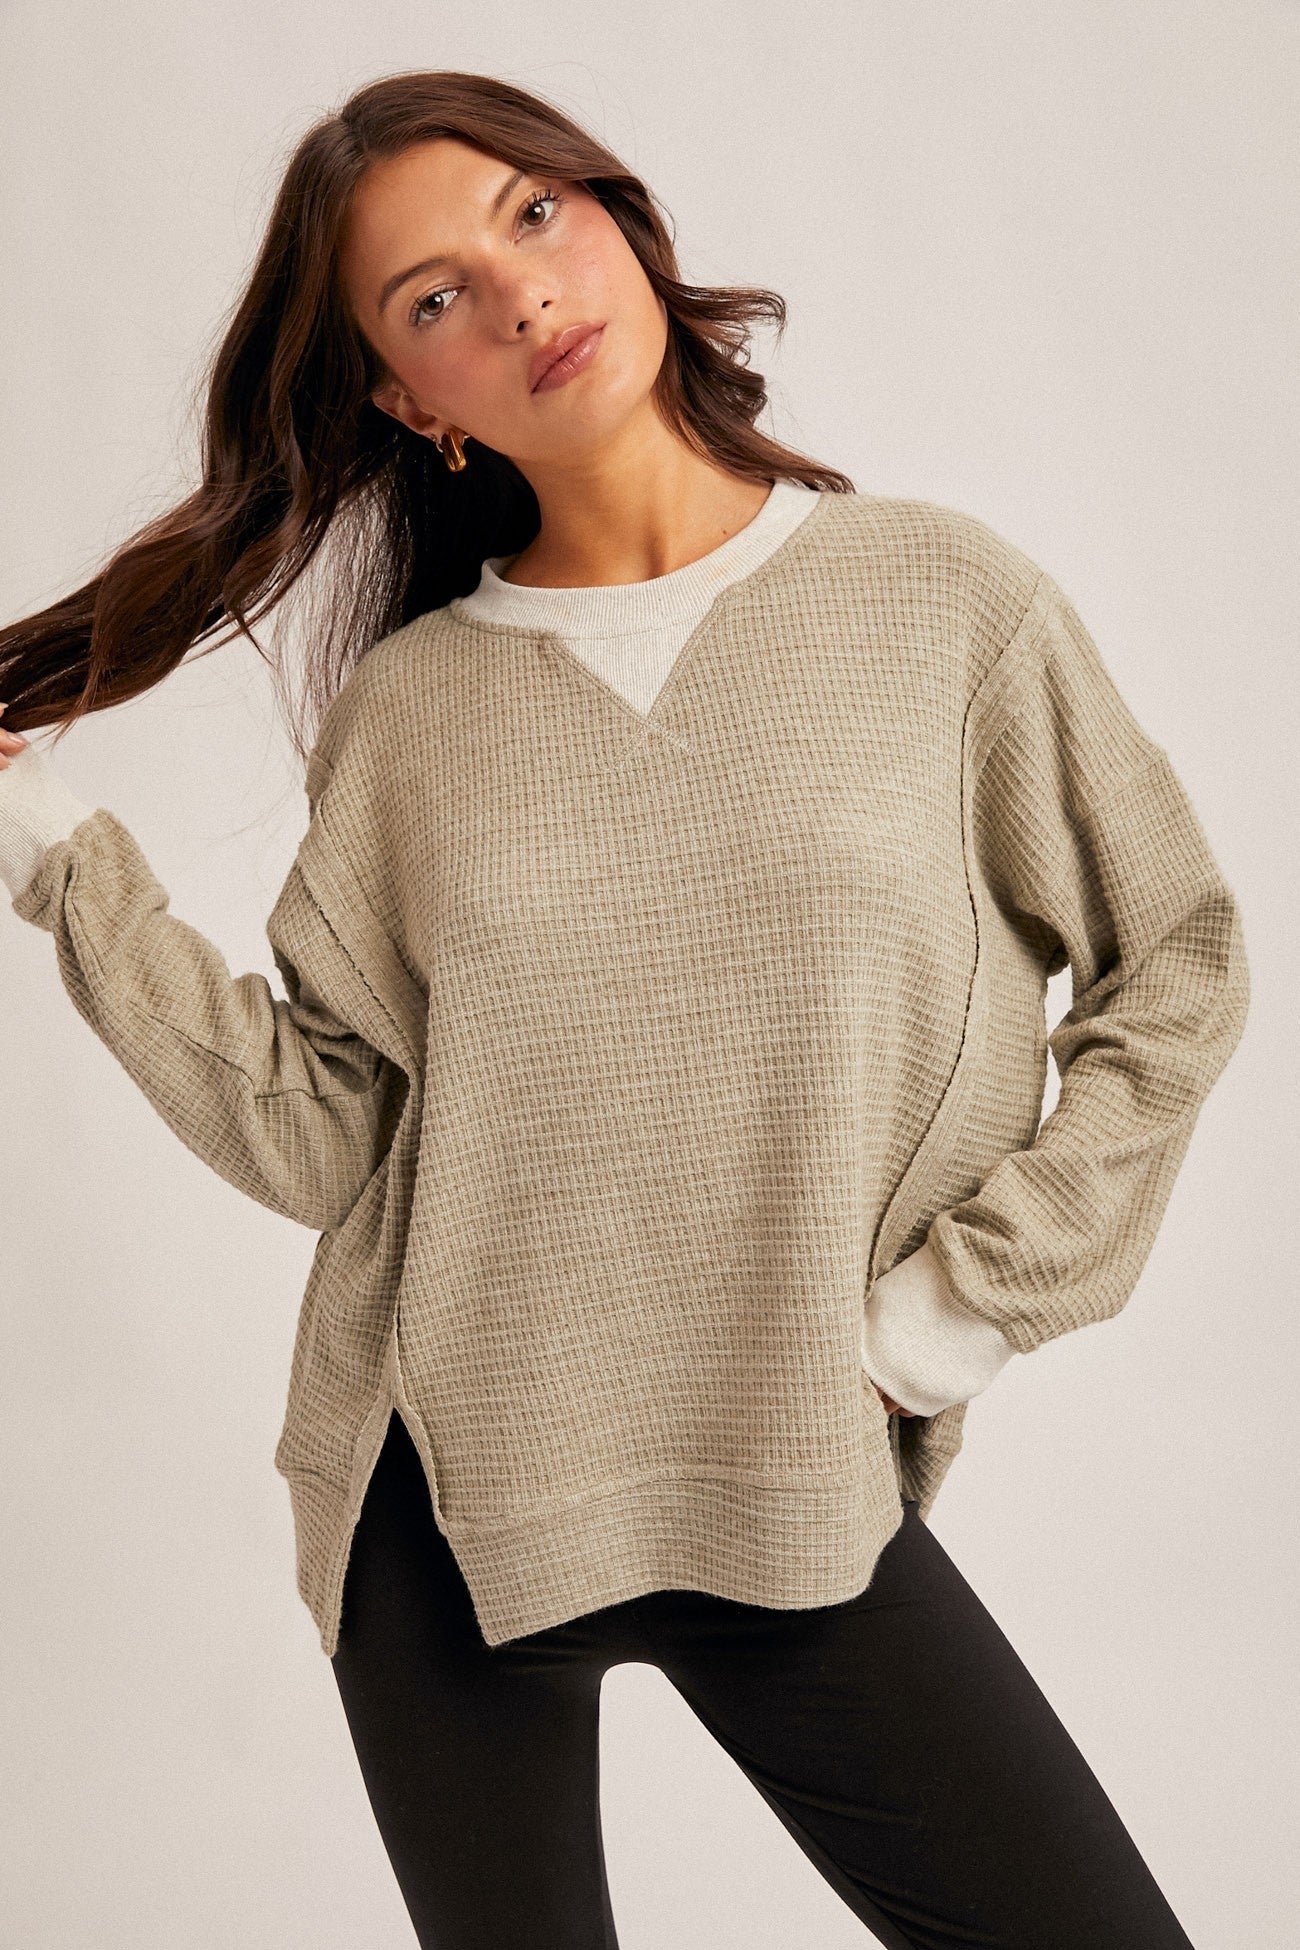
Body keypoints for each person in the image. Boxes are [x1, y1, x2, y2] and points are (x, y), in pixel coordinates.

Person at [0, 70, 1248, 1950]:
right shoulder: (411, 716)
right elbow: (326, 1134)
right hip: (444, 1510)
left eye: (533, 215)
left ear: (623, 224)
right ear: (410, 402)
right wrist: (51, 851)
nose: (515, 293)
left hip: (792, 1467)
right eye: (432, 298)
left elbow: (1179, 961)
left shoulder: (944, 603)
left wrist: (952, 1314)